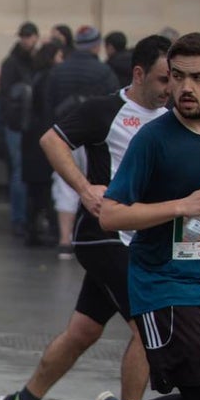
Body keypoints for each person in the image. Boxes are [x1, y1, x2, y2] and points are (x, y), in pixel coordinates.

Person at [0, 35, 172, 400]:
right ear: (138, 74)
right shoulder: (105, 110)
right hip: (102, 234)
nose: (172, 87)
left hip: (141, 237)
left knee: (83, 332)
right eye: (165, 78)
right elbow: (51, 141)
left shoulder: (172, 116)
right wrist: (85, 189)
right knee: (145, 327)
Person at [94, 32, 200, 400]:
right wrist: (179, 207)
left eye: (197, 77)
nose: (184, 87)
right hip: (163, 283)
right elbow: (112, 214)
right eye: (177, 75)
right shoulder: (155, 139)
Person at [46, 26, 120, 259]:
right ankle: (94, 234)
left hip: (64, 133)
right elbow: (113, 105)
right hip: (95, 138)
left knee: (65, 184)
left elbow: (46, 103)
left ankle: (64, 239)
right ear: (96, 45)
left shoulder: (59, 71)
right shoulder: (103, 71)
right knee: (94, 182)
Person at [21, 41, 65, 248]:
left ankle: (32, 228)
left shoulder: (34, 76)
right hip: (43, 138)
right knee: (47, 190)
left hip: (30, 138)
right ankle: (50, 231)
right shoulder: (50, 78)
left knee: (35, 190)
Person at [0, 22, 41, 237]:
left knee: (22, 171)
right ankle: (20, 218)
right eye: (24, 36)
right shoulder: (13, 62)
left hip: (29, 124)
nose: (26, 40)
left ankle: (28, 217)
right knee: (18, 170)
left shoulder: (30, 61)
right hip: (17, 124)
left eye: (29, 36)